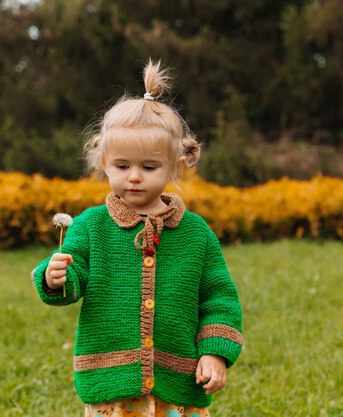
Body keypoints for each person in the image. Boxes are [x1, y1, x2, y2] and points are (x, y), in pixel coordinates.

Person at [31, 59, 243, 417]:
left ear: (175, 166)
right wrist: (55, 278)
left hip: (178, 384)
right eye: (122, 166)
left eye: (148, 167)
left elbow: (219, 297)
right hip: (112, 383)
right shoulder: (90, 227)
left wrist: (215, 352)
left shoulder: (196, 235)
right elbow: (73, 279)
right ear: (103, 162)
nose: (133, 177)